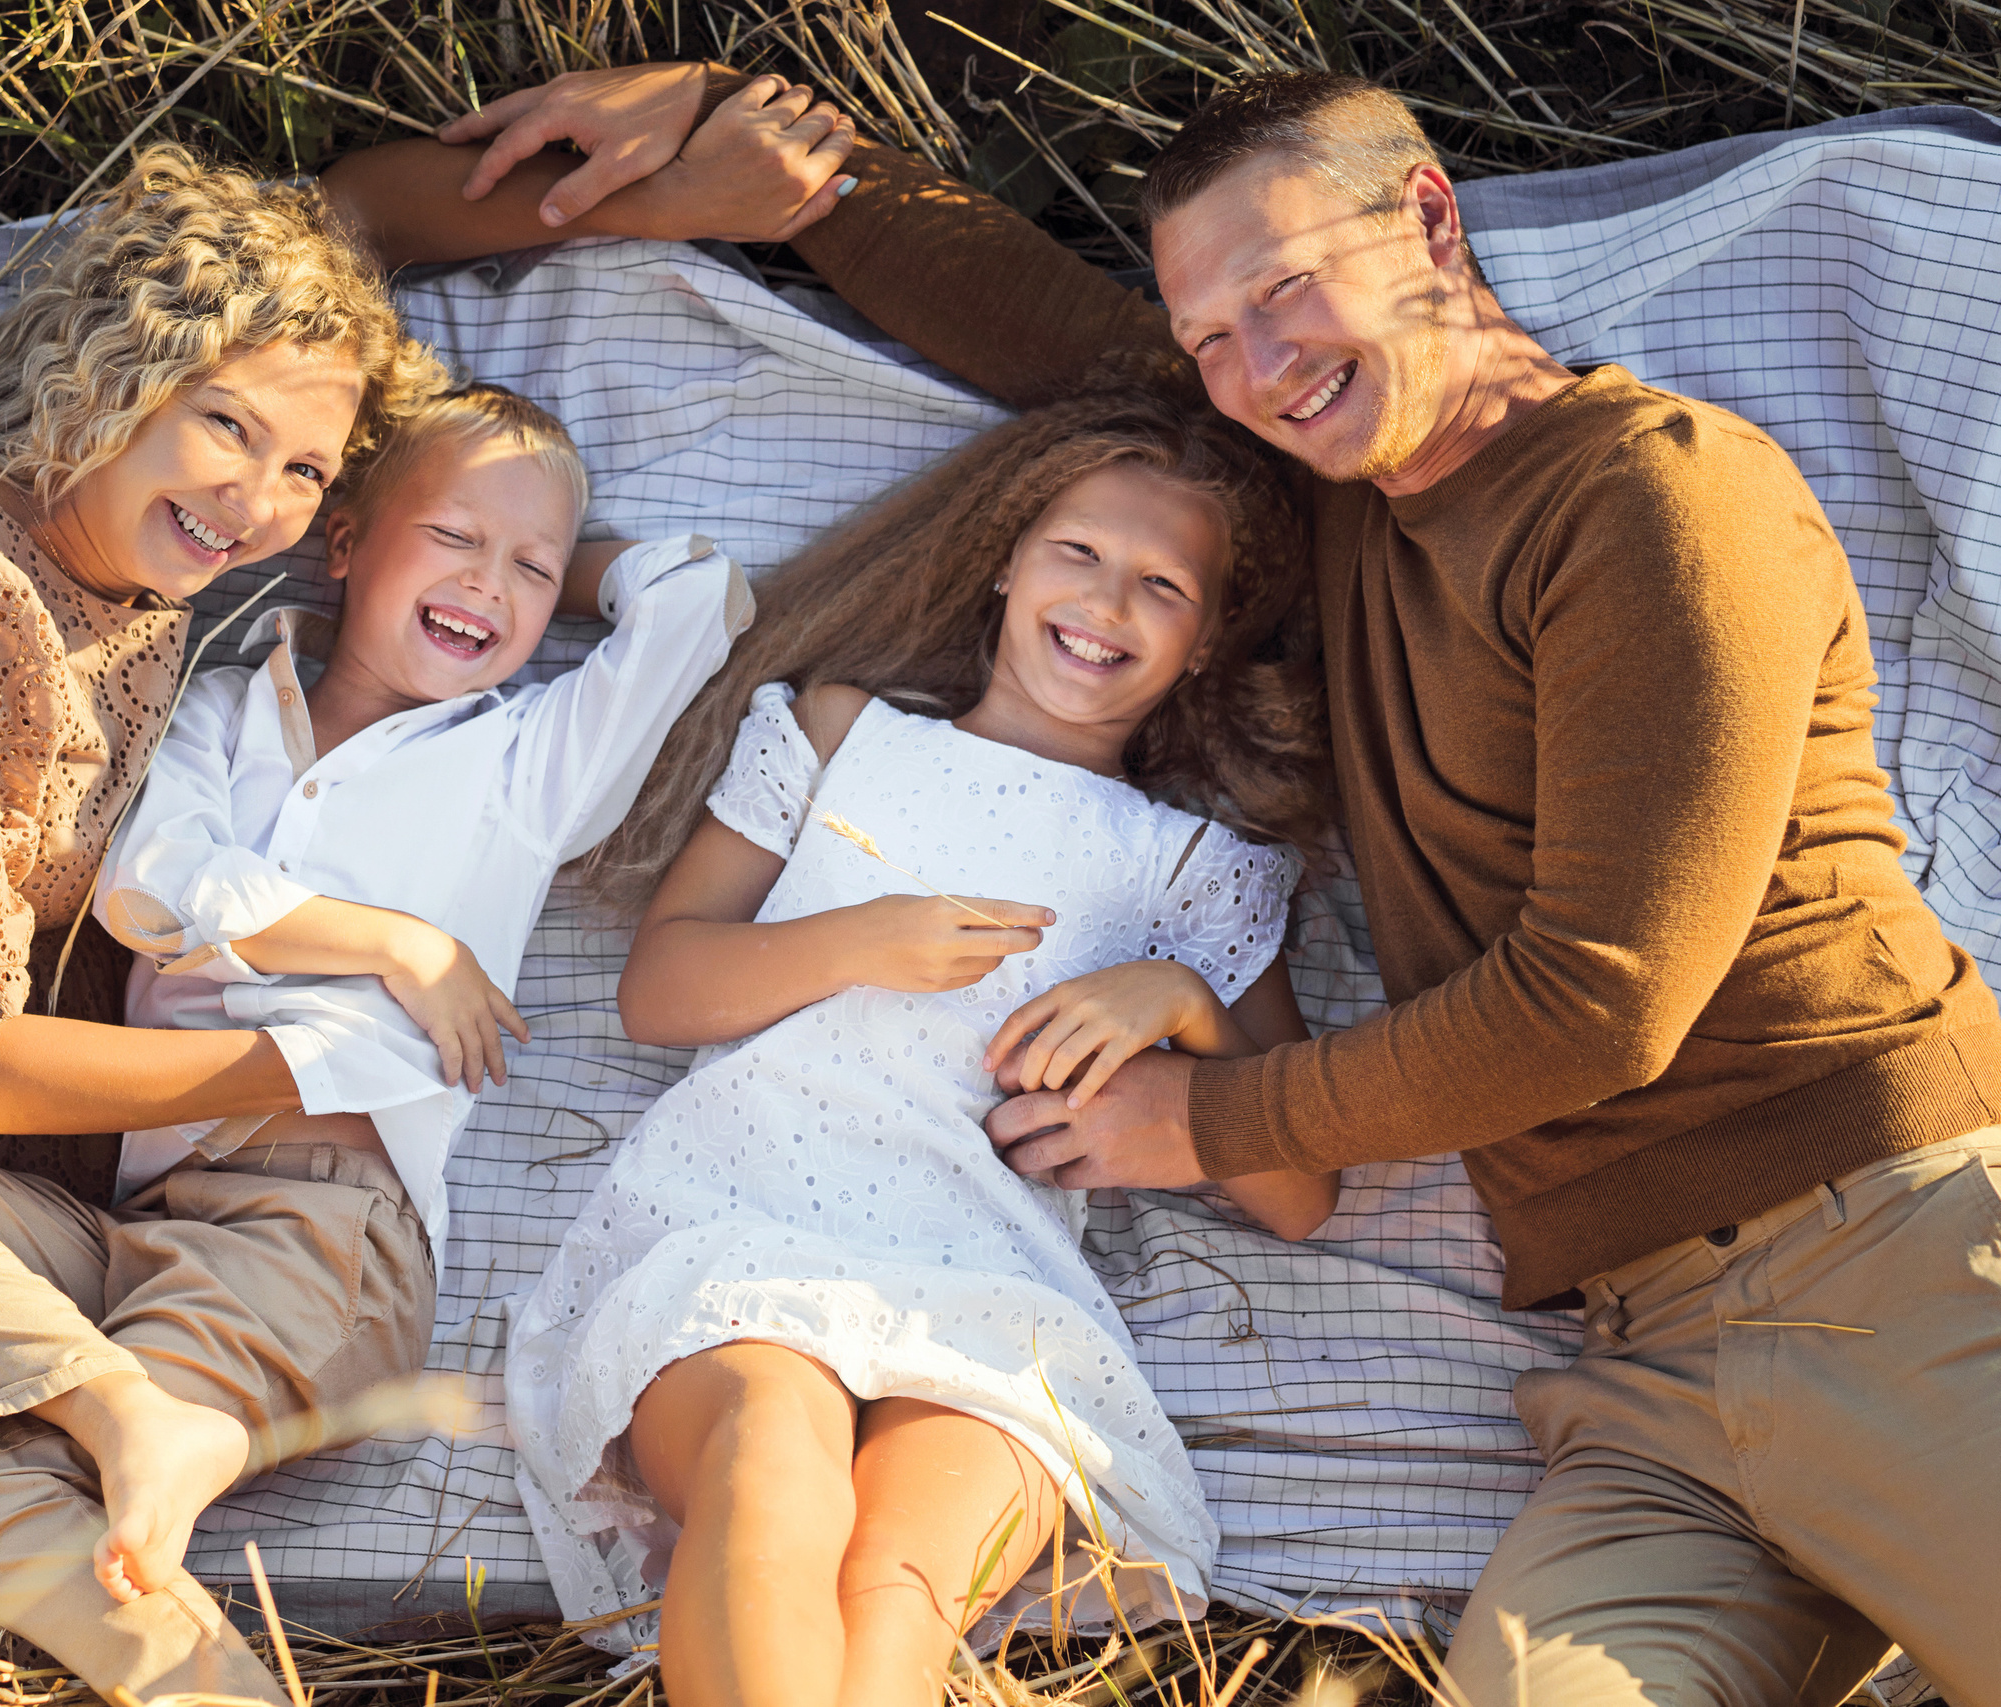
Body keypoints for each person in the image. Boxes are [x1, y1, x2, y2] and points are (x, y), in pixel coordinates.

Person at [410, 62, 2001, 1706]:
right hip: (1651, 1366)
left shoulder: (1654, 498)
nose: (1259, 368)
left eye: (1287, 290)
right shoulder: (1329, 503)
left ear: (1429, 221)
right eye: (1211, 337)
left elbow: (1603, 999)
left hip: (1880, 1236)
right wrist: (795, 175)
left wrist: (1200, 1116)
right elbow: (1086, 381)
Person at [0, 80, 855, 1707]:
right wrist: (327, 1062)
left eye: (308, 466)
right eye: (224, 428)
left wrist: (670, 198)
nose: (258, 499)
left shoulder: (159, 561)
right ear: (111, 374)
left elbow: (349, 232)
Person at [0, 385, 749, 1704]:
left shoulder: (526, 765)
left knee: (5, 1524)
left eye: (527, 566)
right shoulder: (226, 705)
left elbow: (701, 597)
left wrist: (561, 561)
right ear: (343, 541)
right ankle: (123, 1407)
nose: (491, 584)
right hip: (144, 1226)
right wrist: (400, 948)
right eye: (452, 536)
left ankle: (156, 1493)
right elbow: (150, 886)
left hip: (317, 1238)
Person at [507, 391, 1340, 1707]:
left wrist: (1179, 1001)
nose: (1106, 603)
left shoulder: (1191, 870)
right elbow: (659, 991)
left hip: (989, 1280)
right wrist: (855, 941)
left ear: (1206, 640)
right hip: (742, 1223)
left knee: (895, 1585)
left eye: (1161, 586)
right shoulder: (839, 732)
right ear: (1008, 561)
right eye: (1076, 555)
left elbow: (1297, 1198)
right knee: (766, 1484)